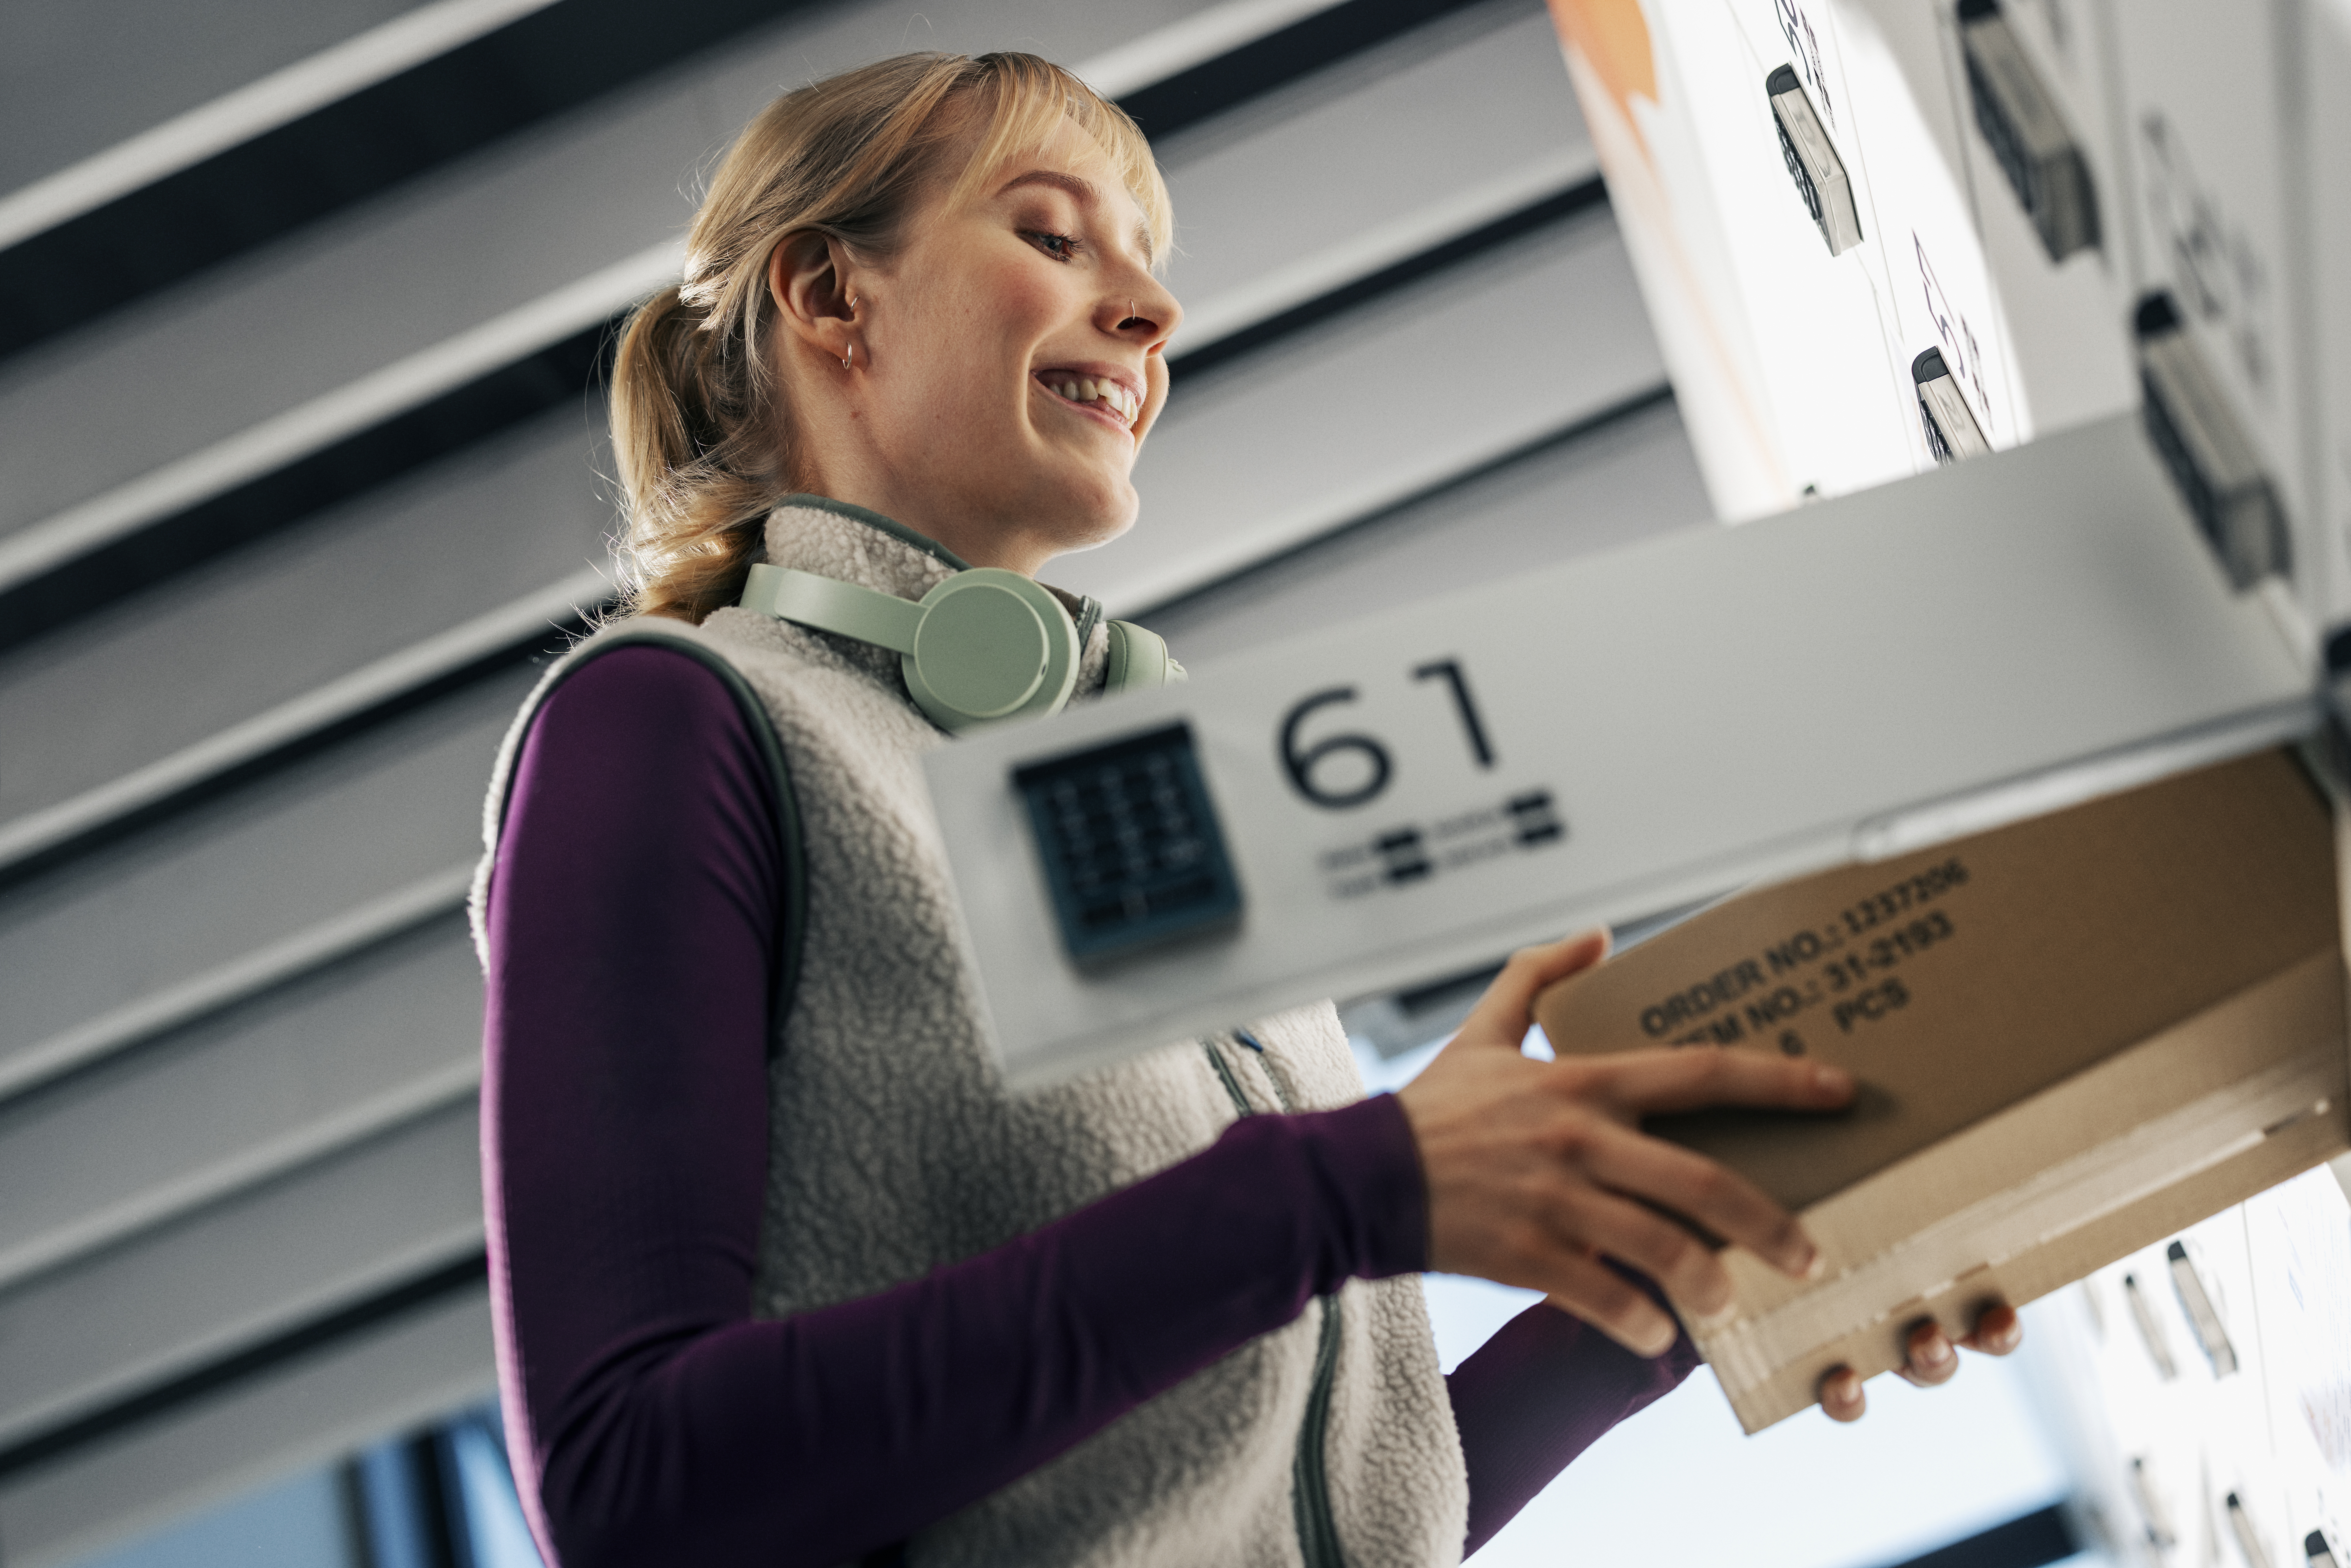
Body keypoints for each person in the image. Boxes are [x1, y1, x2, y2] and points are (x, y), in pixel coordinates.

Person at [473, 51, 2020, 1568]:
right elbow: (633, 1484)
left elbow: (1288, 1515)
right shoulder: (669, 720)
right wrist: (1355, 1187)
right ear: (830, 299)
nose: (1153, 310)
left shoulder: (1146, 819)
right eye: (1053, 236)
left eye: (1145, 263)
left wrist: (1657, 1311)